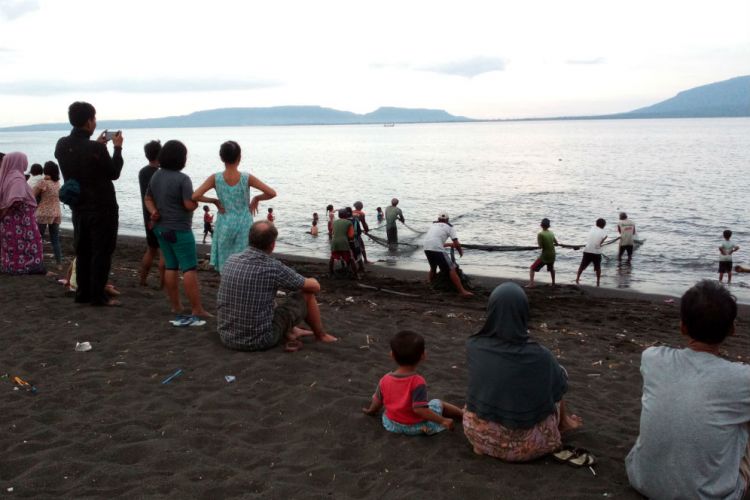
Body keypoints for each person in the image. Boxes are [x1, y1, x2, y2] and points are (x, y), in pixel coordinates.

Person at [626, 280, 749, 499]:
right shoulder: (742, 378)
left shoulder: (652, 358)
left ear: (682, 326)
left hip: (642, 480)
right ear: (732, 329)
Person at [463, 283, 583, 462]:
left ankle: (484, 444)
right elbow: (557, 387)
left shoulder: (473, 346)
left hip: (477, 434)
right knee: (558, 374)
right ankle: (565, 422)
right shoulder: (540, 356)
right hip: (524, 447)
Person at [217, 220, 337, 351]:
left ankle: (291, 330)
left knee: (264, 297)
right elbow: (314, 287)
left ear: (249, 239)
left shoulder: (231, 260)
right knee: (306, 294)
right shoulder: (272, 267)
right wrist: (312, 279)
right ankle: (321, 335)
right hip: (259, 340)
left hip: (227, 337)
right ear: (273, 245)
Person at [54, 101, 123, 306]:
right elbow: (114, 173)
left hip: (78, 205)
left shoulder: (62, 144)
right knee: (102, 251)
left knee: (83, 250)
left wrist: (98, 148)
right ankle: (98, 296)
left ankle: (82, 293)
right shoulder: (94, 148)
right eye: (94, 118)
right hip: (102, 205)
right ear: (88, 121)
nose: (95, 122)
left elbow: (79, 161)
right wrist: (117, 149)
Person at [144, 140, 211, 323]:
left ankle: (176, 305)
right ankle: (197, 309)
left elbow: (148, 198)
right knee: (189, 268)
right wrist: (197, 201)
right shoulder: (183, 179)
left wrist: (153, 211)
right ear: (181, 158)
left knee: (171, 266)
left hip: (161, 229)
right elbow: (188, 205)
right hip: (180, 229)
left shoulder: (156, 175)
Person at [192, 140, 276, 273]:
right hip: (244, 224)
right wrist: (257, 198)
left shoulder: (216, 178)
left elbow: (195, 196)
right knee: (245, 262)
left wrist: (214, 200)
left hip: (225, 223)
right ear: (239, 157)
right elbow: (271, 193)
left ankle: (227, 286)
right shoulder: (246, 178)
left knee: (226, 262)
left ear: (221, 158)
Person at [362, 330, 464, 435]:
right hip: (415, 427)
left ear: (392, 355)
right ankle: (463, 415)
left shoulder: (385, 379)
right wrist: (443, 421)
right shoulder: (417, 381)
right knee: (437, 403)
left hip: (391, 424)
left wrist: (371, 411)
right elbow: (420, 410)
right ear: (423, 355)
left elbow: (378, 401)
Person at [0, 152, 46, 275]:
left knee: (11, 245)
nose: (26, 163)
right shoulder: (17, 178)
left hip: (9, 220)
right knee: (26, 243)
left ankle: (11, 266)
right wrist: (6, 211)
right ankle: (25, 267)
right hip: (20, 220)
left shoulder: (5, 176)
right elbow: (17, 199)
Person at [423, 212, 472, 297]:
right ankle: (462, 291)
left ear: (438, 219)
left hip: (426, 247)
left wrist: (448, 244)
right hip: (437, 249)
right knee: (451, 269)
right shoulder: (450, 227)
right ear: (447, 220)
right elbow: (456, 243)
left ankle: (431, 285)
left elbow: (434, 240)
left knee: (433, 267)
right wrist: (460, 251)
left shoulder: (433, 225)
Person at [138, 140, 165, 288]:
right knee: (164, 251)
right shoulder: (161, 174)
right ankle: (162, 284)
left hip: (147, 215)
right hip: (160, 216)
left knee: (151, 249)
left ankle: (142, 280)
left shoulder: (143, 172)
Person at [33, 161, 63, 267]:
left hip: (43, 213)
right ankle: (59, 263)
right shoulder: (57, 183)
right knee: (55, 239)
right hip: (56, 213)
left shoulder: (43, 182)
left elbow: (32, 194)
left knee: (38, 238)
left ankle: (37, 261)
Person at [575, 218, 608, 287]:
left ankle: (577, 279)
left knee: (582, 266)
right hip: (596, 252)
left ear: (596, 224)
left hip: (587, 250)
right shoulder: (604, 232)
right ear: (604, 225)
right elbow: (601, 242)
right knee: (598, 268)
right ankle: (598, 282)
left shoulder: (592, 228)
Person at [527, 218, 558, 287]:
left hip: (545, 255)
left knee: (532, 268)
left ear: (541, 225)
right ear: (548, 226)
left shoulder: (540, 234)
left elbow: (540, 246)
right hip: (552, 254)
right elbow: (556, 243)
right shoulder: (551, 233)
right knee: (551, 269)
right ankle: (553, 283)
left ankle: (531, 284)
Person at [329, 208, 358, 278]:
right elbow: (351, 236)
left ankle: (331, 272)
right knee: (351, 257)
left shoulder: (334, 222)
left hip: (334, 241)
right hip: (343, 242)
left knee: (332, 257)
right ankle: (356, 275)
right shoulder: (349, 222)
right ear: (346, 215)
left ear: (339, 215)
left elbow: (332, 231)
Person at [352, 201, 370, 265]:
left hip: (349, 232)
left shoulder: (351, 212)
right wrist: (366, 230)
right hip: (356, 233)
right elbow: (364, 223)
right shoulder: (361, 213)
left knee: (352, 247)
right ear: (361, 207)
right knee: (361, 246)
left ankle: (354, 259)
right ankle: (365, 260)